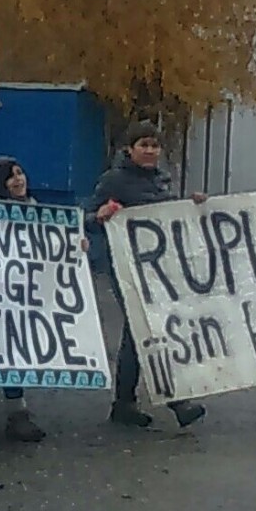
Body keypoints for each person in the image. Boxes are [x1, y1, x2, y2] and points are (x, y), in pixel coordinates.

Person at [87, 121, 208, 429]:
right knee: (144, 329)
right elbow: (87, 216)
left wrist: (191, 205)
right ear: (129, 149)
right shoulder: (114, 180)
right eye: (144, 145)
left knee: (140, 332)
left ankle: (125, 402)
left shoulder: (162, 180)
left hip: (158, 269)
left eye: (155, 145)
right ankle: (174, 400)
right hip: (125, 267)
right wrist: (99, 216)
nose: (150, 151)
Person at [0, 157, 51, 442]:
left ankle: (16, 410)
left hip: (24, 293)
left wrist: (74, 240)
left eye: (21, 173)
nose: (19, 180)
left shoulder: (35, 209)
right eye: (11, 177)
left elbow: (55, 239)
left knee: (13, 348)